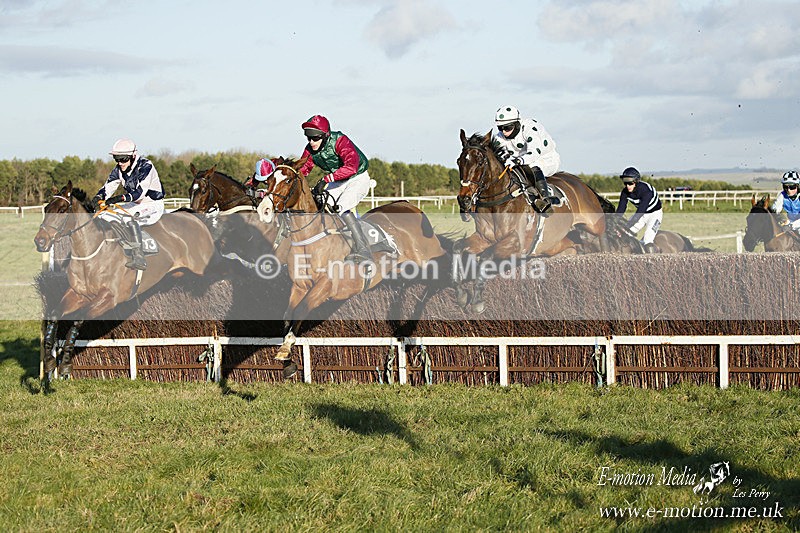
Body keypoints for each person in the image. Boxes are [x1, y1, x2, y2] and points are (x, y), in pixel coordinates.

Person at [298, 114, 373, 263]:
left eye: (315, 138)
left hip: (357, 178)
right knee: (320, 205)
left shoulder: (340, 140)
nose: (311, 142)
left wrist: (326, 179)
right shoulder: (310, 149)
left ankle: (363, 248)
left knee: (341, 207)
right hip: (338, 180)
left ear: (325, 135)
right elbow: (302, 170)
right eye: (308, 138)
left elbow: (351, 167)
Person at [91, 138, 165, 270]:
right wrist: (97, 197)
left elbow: (139, 193)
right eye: (117, 159)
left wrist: (118, 198)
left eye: (123, 159)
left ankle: (138, 256)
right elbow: (108, 187)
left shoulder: (146, 166)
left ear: (133, 156)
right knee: (105, 216)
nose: (120, 163)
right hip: (135, 204)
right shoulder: (118, 169)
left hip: (152, 204)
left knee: (129, 218)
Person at [493, 105, 561, 213]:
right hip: (521, 164)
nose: (504, 132)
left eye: (507, 128)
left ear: (517, 124)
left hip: (546, 160)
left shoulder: (531, 127)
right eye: (500, 128)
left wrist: (518, 160)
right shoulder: (500, 137)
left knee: (532, 164)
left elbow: (535, 152)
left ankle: (545, 200)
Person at [615, 167, 663, 253]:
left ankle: (653, 263)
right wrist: (615, 223)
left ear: (636, 181)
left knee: (648, 240)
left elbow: (640, 211)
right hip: (642, 215)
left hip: (654, 215)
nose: (627, 186)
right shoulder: (625, 192)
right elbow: (621, 209)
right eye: (625, 183)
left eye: (630, 183)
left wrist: (626, 225)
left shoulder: (646, 191)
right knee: (623, 235)